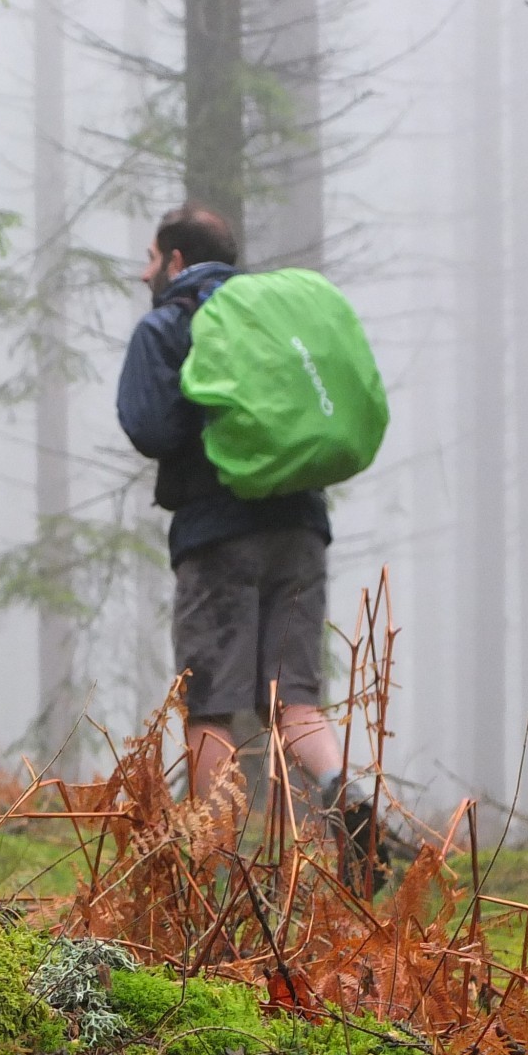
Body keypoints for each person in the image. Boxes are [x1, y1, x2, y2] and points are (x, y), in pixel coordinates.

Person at [116, 203, 350, 831]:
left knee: (210, 707)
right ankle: (350, 800)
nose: (144, 275)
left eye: (150, 258)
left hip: (218, 534)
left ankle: (210, 871)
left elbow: (151, 428)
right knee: (294, 701)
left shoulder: (169, 326)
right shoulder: (276, 321)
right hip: (301, 525)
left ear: (177, 261)